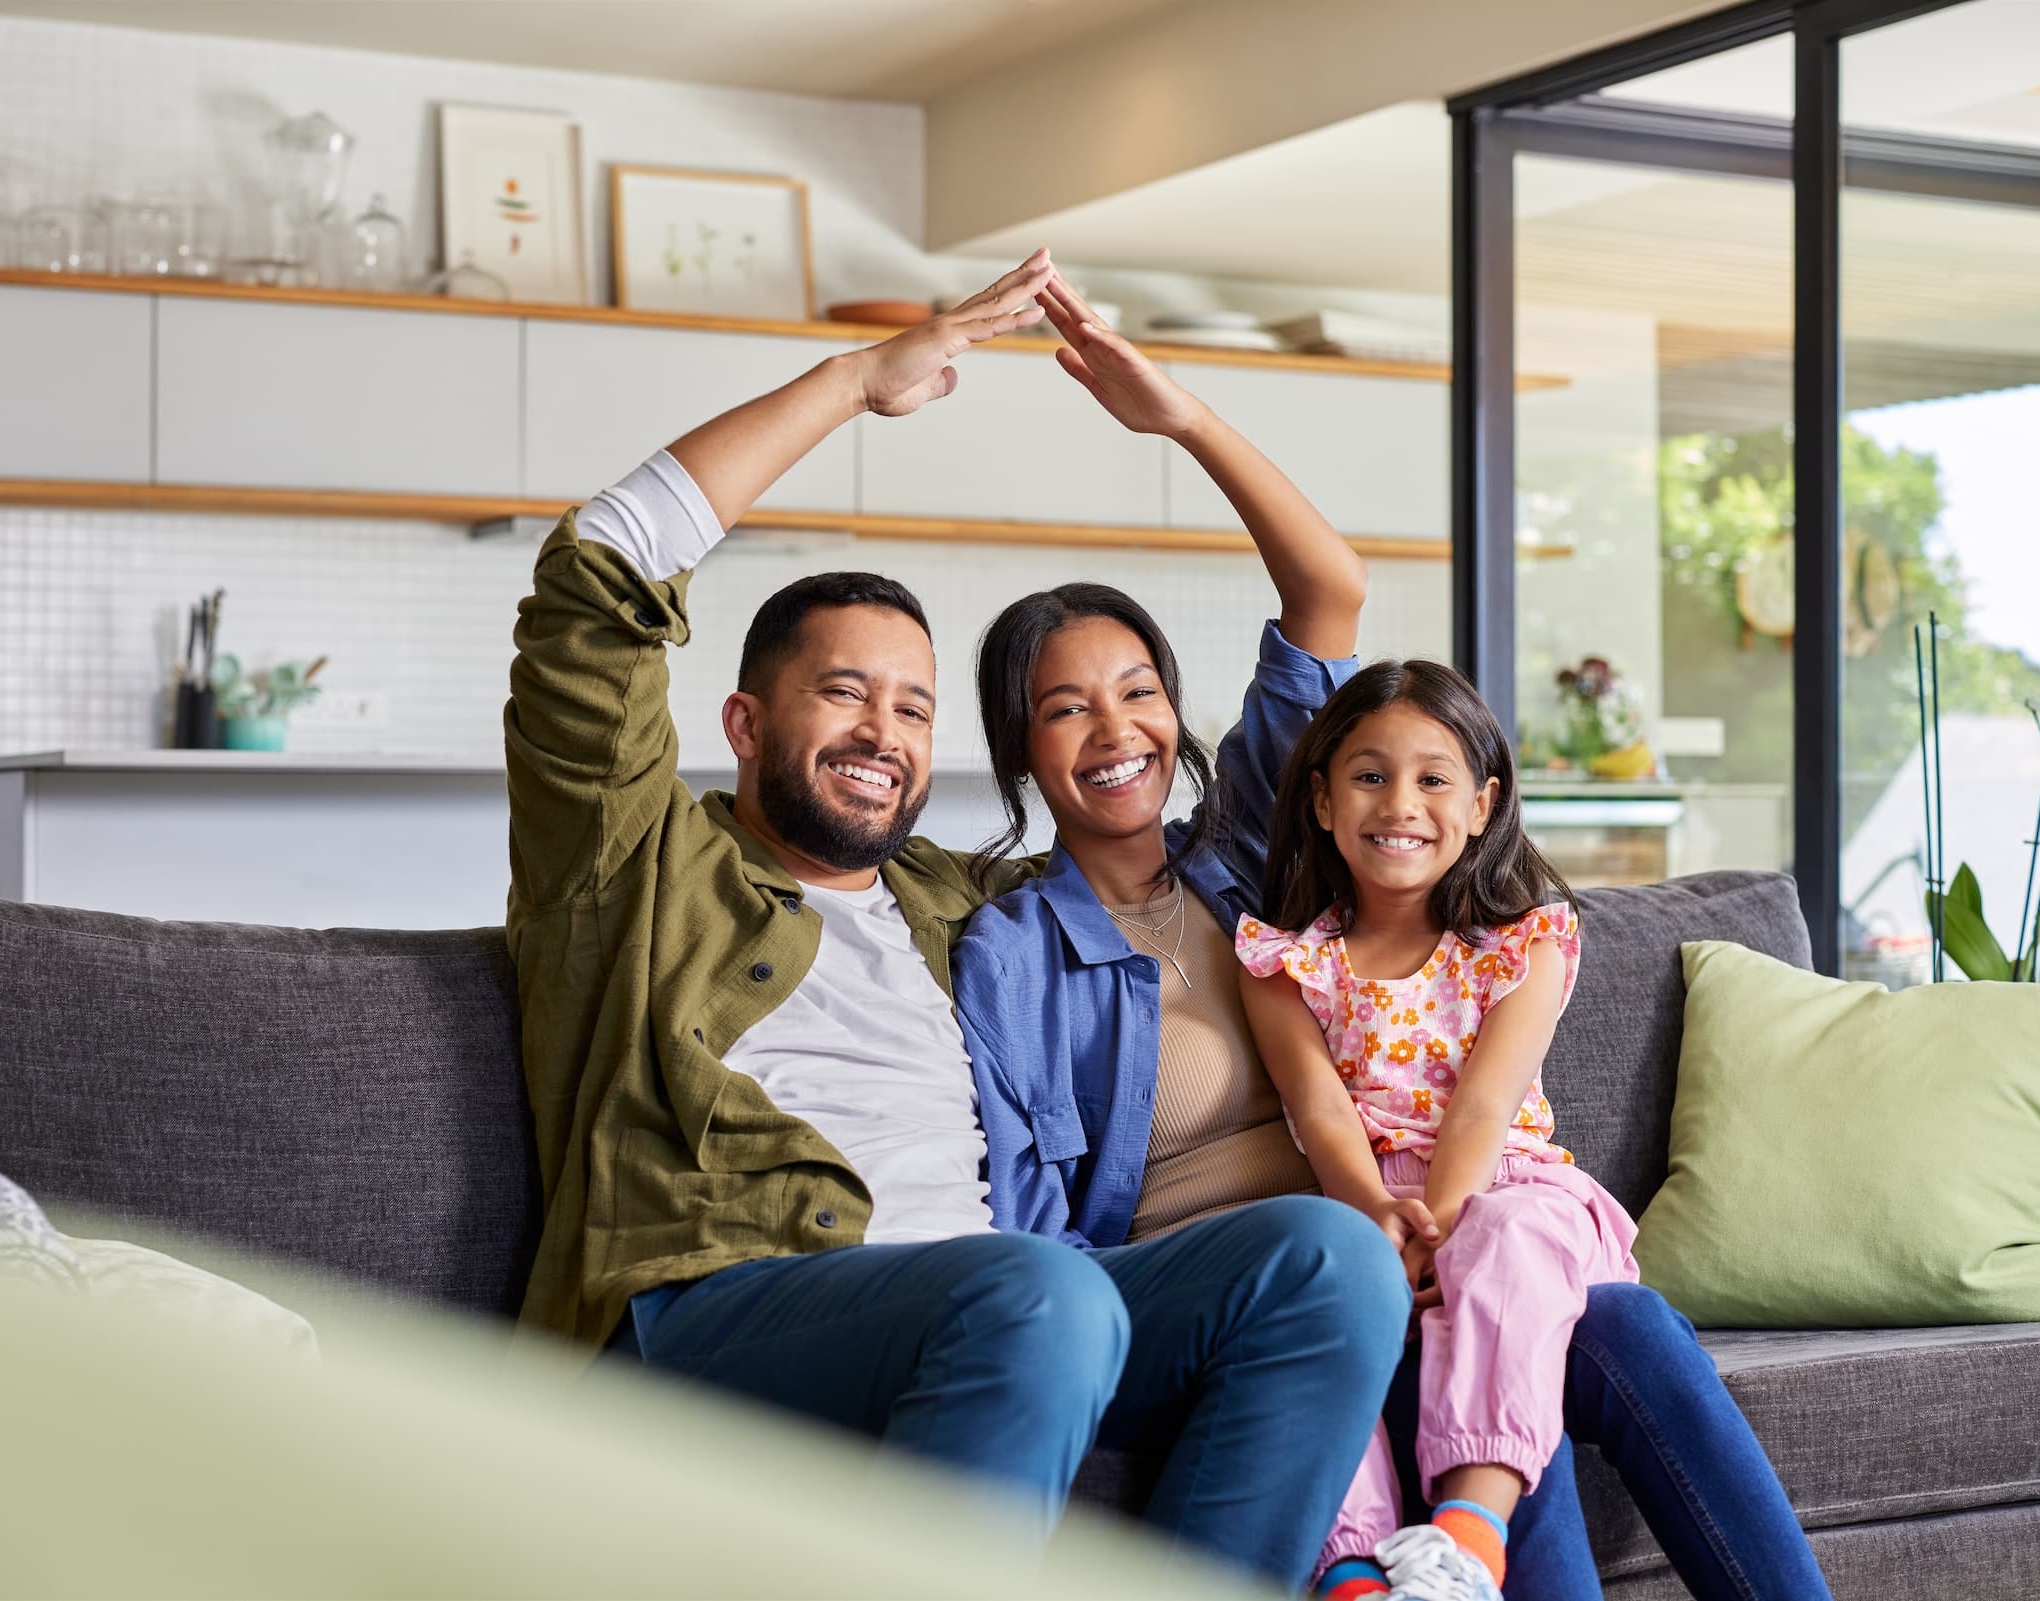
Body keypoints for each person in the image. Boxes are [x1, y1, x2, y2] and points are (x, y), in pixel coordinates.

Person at [504, 249, 1408, 1583]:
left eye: (914, 708)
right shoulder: (632, 861)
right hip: (710, 1304)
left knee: (1331, 1259)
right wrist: (860, 379)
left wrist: (1182, 424)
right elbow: (595, 579)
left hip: (997, 1308)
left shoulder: (970, 907)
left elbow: (1319, 632)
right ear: (745, 722)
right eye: (844, 693)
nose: (883, 731)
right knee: (1035, 1291)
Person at [953, 278, 1832, 1600]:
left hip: (1413, 1231)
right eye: (1064, 708)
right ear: (1021, 747)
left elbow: (1330, 587)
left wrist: (1181, 416)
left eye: (1137, 690)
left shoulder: (1256, 857)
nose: (1114, 727)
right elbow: (1030, 1225)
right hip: (1250, 1289)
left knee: (1621, 1321)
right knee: (1478, 1330)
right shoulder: (1014, 948)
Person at [1234, 661, 1615, 1600]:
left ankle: (1468, 1537)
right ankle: (1356, 1574)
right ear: (1322, 800)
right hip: (1363, 1200)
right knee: (1310, 1317)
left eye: (1433, 778)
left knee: (1503, 1236)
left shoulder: (1524, 945)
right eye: (1369, 775)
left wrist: (1437, 1221)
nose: (1399, 802)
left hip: (1505, 1186)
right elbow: (1320, 1111)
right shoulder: (1284, 963)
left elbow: (1487, 1105)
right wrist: (1375, 1219)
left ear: (1482, 804)